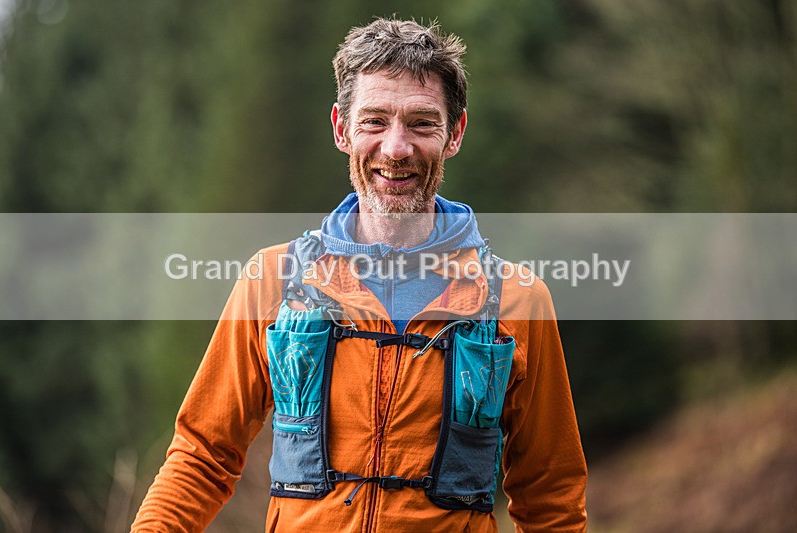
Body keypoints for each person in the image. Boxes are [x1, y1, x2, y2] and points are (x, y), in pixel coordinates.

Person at [131, 17, 587, 532]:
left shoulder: (518, 302)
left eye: (421, 123)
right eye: (374, 121)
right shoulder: (274, 280)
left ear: (454, 133)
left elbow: (551, 497)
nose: (396, 148)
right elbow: (201, 457)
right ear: (341, 129)